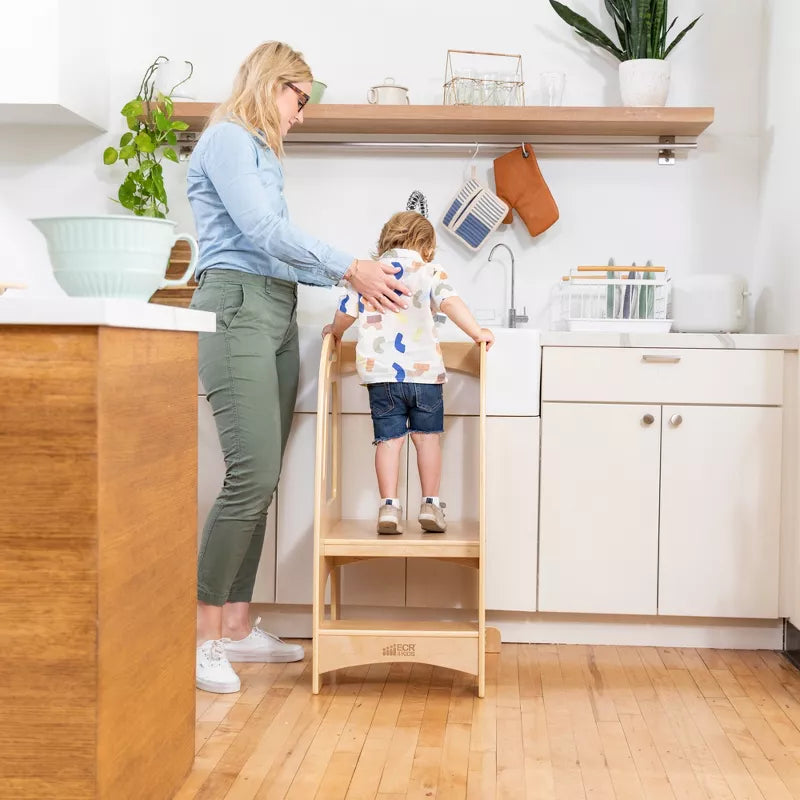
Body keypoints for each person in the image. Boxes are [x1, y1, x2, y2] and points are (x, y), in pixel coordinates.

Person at [187, 41, 410, 695]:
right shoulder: (229, 139)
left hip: (274, 311)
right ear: (271, 82)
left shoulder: (261, 154)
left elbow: (282, 257)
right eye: (300, 100)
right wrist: (350, 265)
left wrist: (359, 279)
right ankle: (201, 640)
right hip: (236, 308)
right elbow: (260, 232)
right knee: (250, 475)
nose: (302, 116)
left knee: (261, 480)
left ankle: (234, 627)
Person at [322, 210, 494, 535]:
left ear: (385, 241)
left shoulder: (369, 273)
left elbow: (346, 312)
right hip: (425, 377)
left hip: (382, 378)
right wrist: (477, 332)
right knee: (427, 440)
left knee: (388, 442)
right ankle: (430, 503)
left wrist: (335, 331)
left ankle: (389, 507)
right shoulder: (430, 271)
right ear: (427, 246)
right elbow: (451, 303)